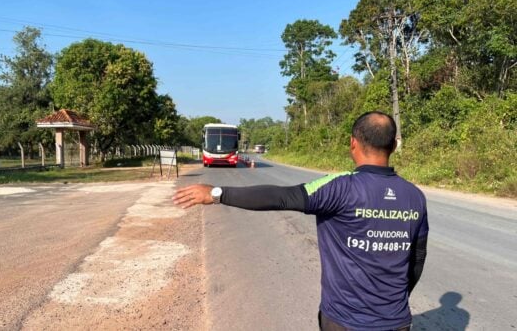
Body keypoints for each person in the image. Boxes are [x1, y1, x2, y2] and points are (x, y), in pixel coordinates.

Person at [173, 111, 428, 331]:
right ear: (394, 146)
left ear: (353, 143)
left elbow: (282, 197)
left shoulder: (338, 187)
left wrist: (217, 193)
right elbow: (416, 260)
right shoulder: (415, 196)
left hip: (346, 321)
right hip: (396, 321)